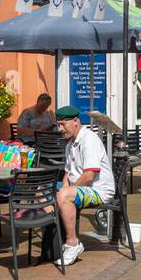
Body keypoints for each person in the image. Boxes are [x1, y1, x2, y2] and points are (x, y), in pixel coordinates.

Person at [54, 105, 116, 265]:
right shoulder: (70, 144)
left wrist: (65, 192)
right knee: (44, 193)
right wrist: (62, 190)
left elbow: (89, 175)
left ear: (75, 121)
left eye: (63, 124)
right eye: (58, 124)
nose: (60, 128)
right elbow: (67, 174)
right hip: (81, 189)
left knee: (64, 196)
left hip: (99, 191)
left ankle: (72, 243)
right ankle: (52, 247)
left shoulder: (89, 139)